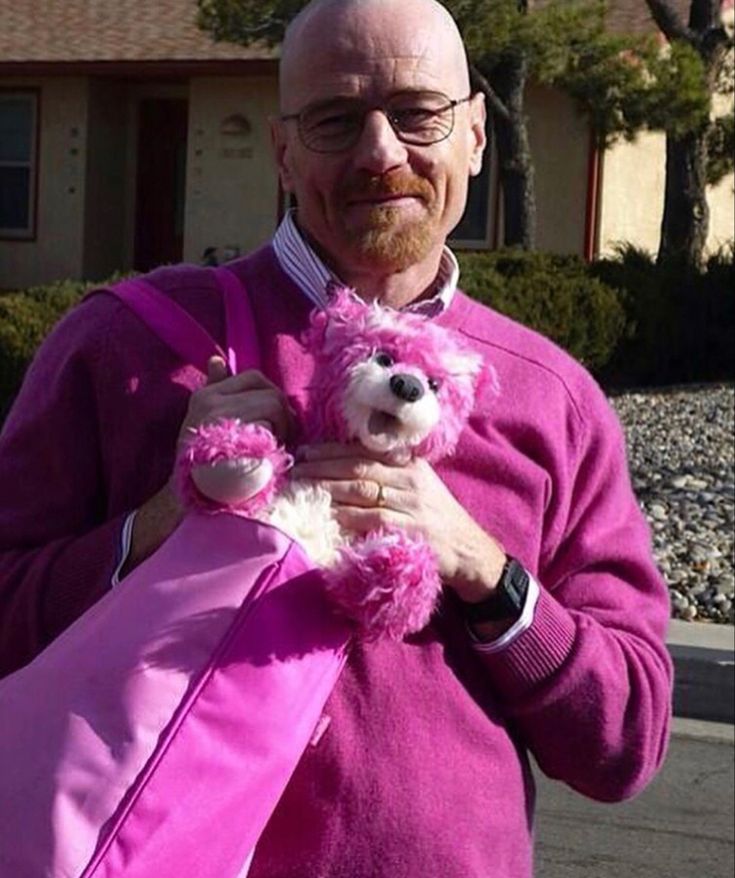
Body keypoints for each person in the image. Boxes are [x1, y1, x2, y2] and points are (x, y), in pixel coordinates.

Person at [0, 0, 672, 875]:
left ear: (474, 133)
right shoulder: (126, 346)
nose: (380, 152)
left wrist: (481, 567)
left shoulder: (553, 399)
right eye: (336, 118)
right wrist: (157, 530)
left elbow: (626, 740)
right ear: (284, 150)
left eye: (417, 113)